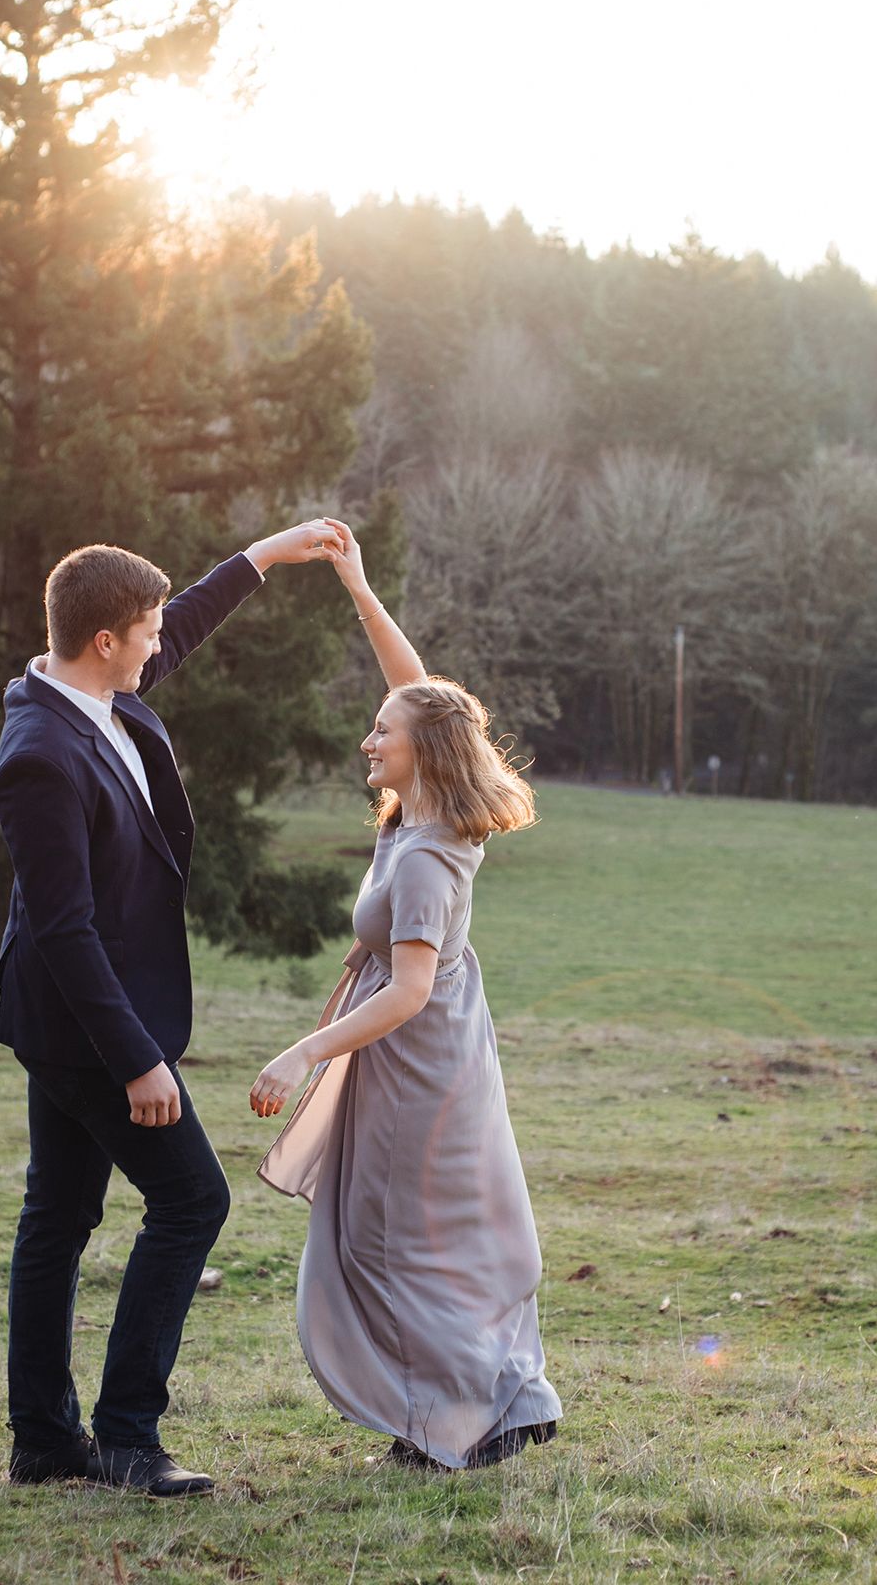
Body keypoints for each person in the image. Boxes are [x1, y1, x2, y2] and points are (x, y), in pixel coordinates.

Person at [0, 520, 346, 1497]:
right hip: (83, 1022)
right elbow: (62, 928)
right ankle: (128, 1437)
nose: (157, 642)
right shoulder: (40, 752)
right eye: (141, 630)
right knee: (192, 1198)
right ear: (104, 639)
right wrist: (139, 1061)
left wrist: (266, 555)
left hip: (79, 1015)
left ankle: (45, 1442)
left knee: (56, 1212)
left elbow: (177, 627)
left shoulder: (95, 691)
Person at [251, 520, 563, 1470]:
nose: (365, 737)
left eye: (379, 731)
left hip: (415, 1060)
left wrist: (307, 1050)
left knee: (396, 1243)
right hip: (427, 1056)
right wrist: (355, 585)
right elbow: (421, 696)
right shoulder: (424, 811)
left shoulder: (427, 856)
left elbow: (411, 992)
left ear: (418, 750)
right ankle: (496, 1406)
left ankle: (451, 1424)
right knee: (415, 1237)